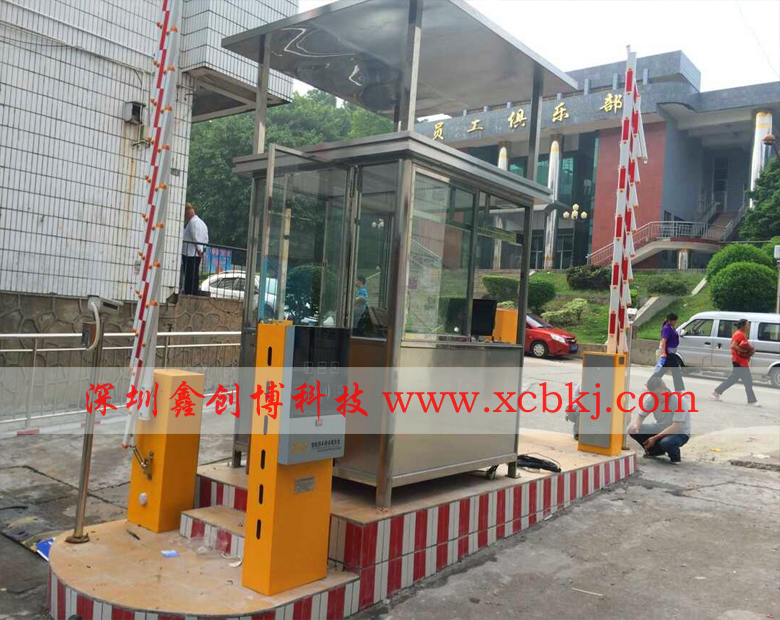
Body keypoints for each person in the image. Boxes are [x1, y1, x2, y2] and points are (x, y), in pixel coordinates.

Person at [628, 376, 692, 463]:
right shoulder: (651, 399)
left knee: (666, 442)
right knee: (632, 430)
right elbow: (641, 417)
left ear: (665, 389)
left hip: (679, 432)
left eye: (658, 394)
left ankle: (675, 457)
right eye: (653, 394)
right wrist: (636, 426)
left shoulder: (679, 400)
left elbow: (676, 426)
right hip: (660, 427)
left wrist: (654, 438)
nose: (656, 397)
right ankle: (655, 451)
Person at [711, 319, 759, 406]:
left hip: (740, 361)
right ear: (743, 326)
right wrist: (744, 351)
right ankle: (752, 401)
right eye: (747, 325)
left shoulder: (741, 334)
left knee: (733, 379)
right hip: (739, 361)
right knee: (748, 381)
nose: (749, 326)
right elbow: (733, 345)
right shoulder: (739, 334)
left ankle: (717, 392)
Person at [651, 312, 685, 391]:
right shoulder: (667, 328)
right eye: (675, 321)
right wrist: (663, 352)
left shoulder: (671, 327)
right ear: (671, 320)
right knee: (676, 371)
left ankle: (650, 383)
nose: (675, 322)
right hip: (669, 353)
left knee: (662, 370)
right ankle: (678, 390)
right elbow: (663, 341)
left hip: (672, 352)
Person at [181, 203, 208, 295]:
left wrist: (199, 249)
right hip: (198, 253)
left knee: (189, 273)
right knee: (195, 272)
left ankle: (189, 291)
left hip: (189, 252)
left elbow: (194, 236)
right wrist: (203, 250)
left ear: (187, 213)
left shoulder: (192, 222)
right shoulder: (203, 223)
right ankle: (194, 290)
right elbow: (206, 238)